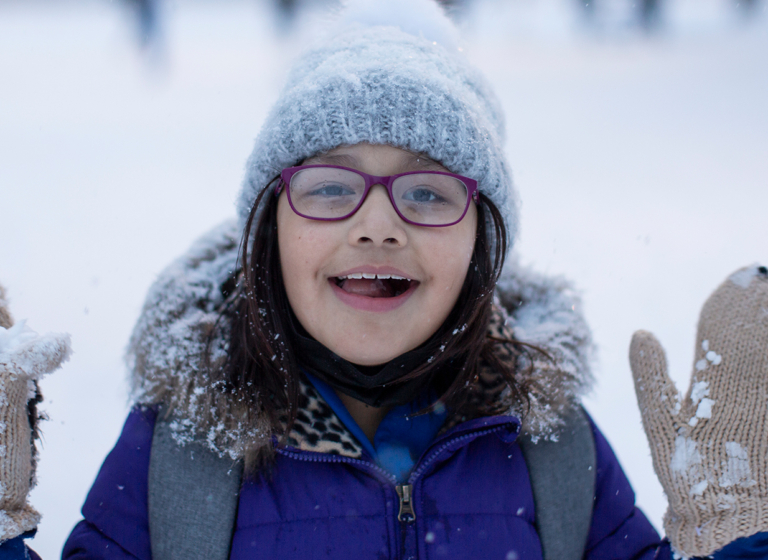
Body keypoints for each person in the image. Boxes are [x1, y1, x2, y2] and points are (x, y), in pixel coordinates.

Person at [2, 0, 768, 558]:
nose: (377, 225)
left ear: (482, 245)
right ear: (268, 235)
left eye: (429, 193)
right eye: (331, 188)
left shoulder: (550, 449)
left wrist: (739, 540)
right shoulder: (180, 453)